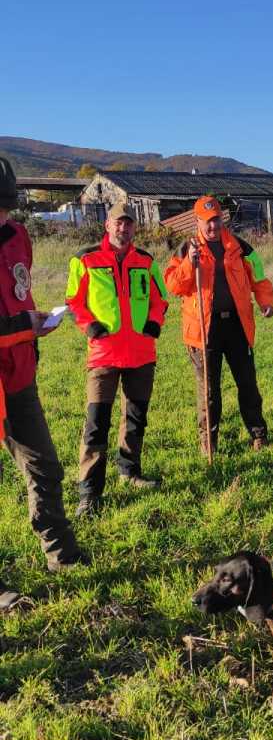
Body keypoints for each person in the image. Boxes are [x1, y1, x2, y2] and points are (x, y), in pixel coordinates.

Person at [0, 157, 85, 573]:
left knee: (45, 466)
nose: (2, 217)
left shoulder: (18, 235)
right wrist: (24, 326)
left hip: (18, 377)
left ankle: (61, 553)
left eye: (5, 208)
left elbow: (18, 294)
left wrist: (35, 324)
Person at [66, 202, 169, 516]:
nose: (124, 228)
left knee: (136, 418)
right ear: (107, 225)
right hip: (104, 354)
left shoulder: (145, 261)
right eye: (118, 223)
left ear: (135, 227)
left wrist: (154, 323)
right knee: (96, 423)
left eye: (129, 223)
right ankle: (89, 492)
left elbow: (160, 299)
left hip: (141, 352)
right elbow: (73, 301)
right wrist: (90, 327)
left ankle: (130, 472)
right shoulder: (85, 259)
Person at [165, 195, 273, 454]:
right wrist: (189, 264)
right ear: (197, 221)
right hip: (204, 329)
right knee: (209, 391)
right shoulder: (186, 249)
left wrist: (265, 301)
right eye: (207, 221)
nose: (212, 226)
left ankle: (258, 434)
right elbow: (173, 286)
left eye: (216, 220)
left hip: (237, 325)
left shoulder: (240, 246)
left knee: (247, 384)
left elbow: (258, 276)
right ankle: (209, 441)